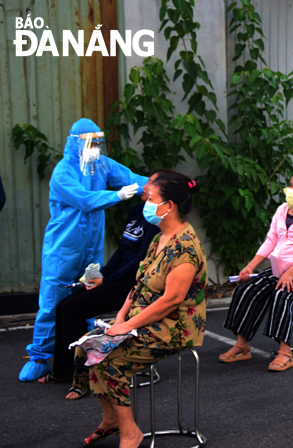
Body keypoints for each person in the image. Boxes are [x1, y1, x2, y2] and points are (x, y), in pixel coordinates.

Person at [70, 171, 207, 447]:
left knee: (109, 360)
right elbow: (139, 284)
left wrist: (127, 326)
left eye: (151, 196)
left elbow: (170, 301)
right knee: (87, 347)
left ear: (168, 206)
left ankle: (130, 431)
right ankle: (112, 420)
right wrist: (120, 317)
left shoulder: (186, 248)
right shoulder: (160, 238)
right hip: (143, 319)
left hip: (173, 327)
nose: (145, 199)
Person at [19, 118, 148, 382]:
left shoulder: (101, 164)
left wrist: (165, 186)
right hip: (63, 249)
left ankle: (83, 352)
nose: (95, 146)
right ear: (75, 142)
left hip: (91, 250)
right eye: (90, 142)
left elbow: (134, 179)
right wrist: (118, 195)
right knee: (52, 301)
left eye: (98, 141)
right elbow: (84, 201)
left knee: (87, 295)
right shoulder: (63, 172)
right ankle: (40, 358)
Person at [37, 170, 170, 385]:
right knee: (63, 305)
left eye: (152, 182)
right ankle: (62, 372)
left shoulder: (158, 219)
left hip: (134, 283)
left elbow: (139, 262)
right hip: (118, 277)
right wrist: (96, 275)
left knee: (74, 309)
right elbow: (121, 252)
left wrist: (106, 281)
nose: (145, 185)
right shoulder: (137, 210)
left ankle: (78, 376)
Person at [221, 170, 293, 372]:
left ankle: (285, 352)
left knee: (283, 293)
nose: (290, 190)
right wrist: (251, 266)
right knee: (247, 290)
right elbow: (271, 240)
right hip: (278, 268)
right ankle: (242, 345)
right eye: (290, 185)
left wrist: (290, 273)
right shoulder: (282, 210)